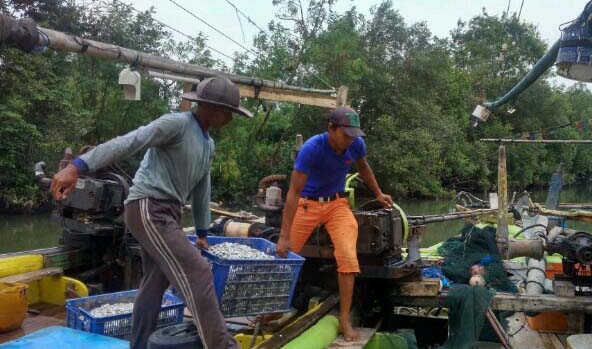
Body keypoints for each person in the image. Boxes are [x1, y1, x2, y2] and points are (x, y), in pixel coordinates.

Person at [50, 76, 251, 349]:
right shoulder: (177, 124)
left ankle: (140, 345)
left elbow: (202, 187)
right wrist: (78, 166)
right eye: (227, 111)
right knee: (198, 271)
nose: (230, 118)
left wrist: (202, 231)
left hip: (168, 212)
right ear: (207, 107)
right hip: (148, 206)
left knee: (155, 282)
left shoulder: (208, 144)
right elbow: (131, 141)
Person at [276, 106, 393, 341]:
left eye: (354, 135)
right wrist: (283, 235)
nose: (350, 139)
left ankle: (344, 318)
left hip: (337, 205)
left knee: (349, 258)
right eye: (346, 134)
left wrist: (378, 193)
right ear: (331, 128)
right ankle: (273, 309)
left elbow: (363, 167)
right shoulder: (312, 148)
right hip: (307, 204)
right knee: (286, 256)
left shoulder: (356, 144)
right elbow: (293, 193)